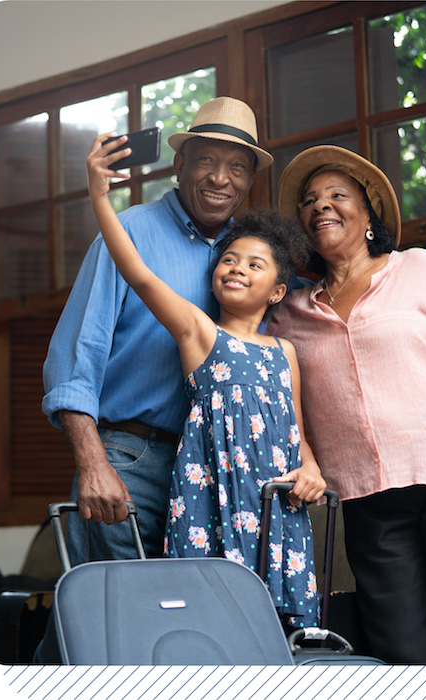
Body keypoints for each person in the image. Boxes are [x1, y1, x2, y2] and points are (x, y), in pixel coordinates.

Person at [42, 97, 426, 568]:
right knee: (110, 610)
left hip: (222, 471)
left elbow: (343, 284)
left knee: (199, 615)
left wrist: (425, 273)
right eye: (205, 160)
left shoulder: (256, 255)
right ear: (180, 164)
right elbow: (73, 360)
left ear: (250, 180)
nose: (220, 178)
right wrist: (92, 461)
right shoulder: (128, 237)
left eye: (237, 168)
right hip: (132, 457)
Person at [267, 144, 426, 664]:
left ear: (368, 212)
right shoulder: (288, 311)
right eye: (310, 201)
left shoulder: (423, 269)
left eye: (338, 195)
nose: (321, 207)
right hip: (366, 498)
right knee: (403, 655)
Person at [87, 135, 325, 627]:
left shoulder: (285, 352)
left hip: (273, 511)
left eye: (255, 265)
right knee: (203, 621)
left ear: (279, 290)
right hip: (211, 502)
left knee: (276, 629)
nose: (237, 268)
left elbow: (297, 434)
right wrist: (97, 196)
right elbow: (138, 273)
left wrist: (312, 471)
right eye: (230, 261)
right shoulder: (199, 331)